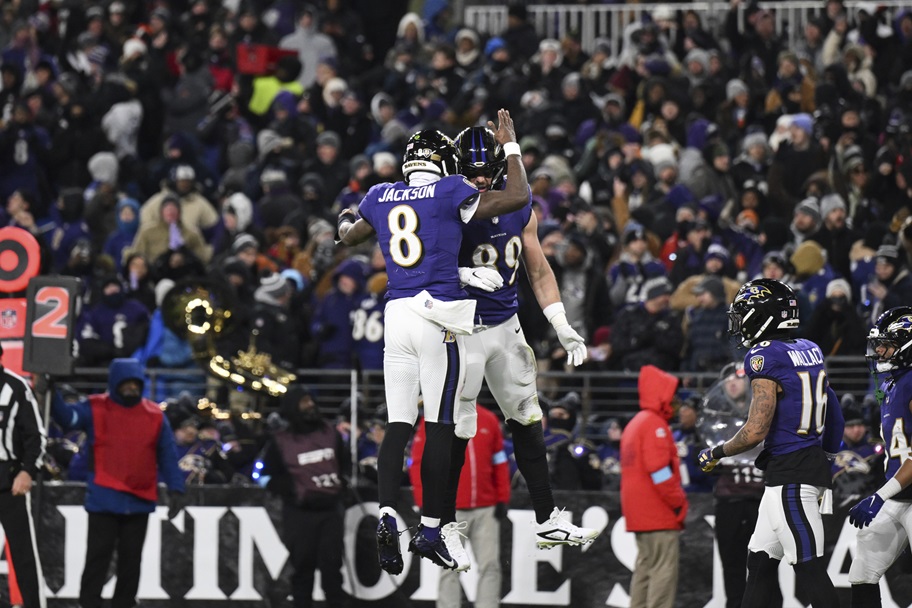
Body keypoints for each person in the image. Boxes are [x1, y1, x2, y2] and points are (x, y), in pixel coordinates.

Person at [337, 110, 531, 574]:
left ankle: (387, 511)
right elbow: (517, 196)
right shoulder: (449, 189)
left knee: (398, 424)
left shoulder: (381, 194)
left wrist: (347, 213)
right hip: (437, 315)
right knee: (441, 424)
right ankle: (429, 529)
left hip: (396, 316)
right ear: (445, 161)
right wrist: (511, 149)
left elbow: (349, 236)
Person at [444, 125, 597, 565]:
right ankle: (441, 523)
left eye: (484, 174)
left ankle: (547, 517)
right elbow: (421, 267)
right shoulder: (445, 205)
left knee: (529, 419)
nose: (476, 183)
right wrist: (464, 275)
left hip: (505, 323)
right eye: (469, 175)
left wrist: (559, 320)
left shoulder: (519, 205)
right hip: (462, 325)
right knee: (456, 426)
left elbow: (539, 269)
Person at [697, 278, 845, 608]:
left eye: (745, 313)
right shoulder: (810, 348)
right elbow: (834, 411)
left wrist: (715, 452)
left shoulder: (765, 356)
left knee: (809, 568)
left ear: (763, 316)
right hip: (797, 469)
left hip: (791, 474)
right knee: (760, 564)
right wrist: (828, 458)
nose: (739, 321)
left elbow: (755, 430)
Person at [50, 358, 185, 608]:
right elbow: (67, 419)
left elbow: (167, 455)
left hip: (140, 501)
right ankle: (89, 603)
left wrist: (177, 489)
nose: (132, 388)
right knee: (97, 559)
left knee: (131, 561)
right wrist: (52, 389)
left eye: (136, 383)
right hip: (104, 498)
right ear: (114, 382)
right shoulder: (94, 407)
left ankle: (124, 604)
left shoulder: (155, 415)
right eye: (126, 383)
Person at [409, 404, 509, 607]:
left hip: (486, 508)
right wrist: (424, 501)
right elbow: (419, 464)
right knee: (449, 567)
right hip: (449, 511)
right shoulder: (434, 419)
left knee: (490, 565)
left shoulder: (488, 419)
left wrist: (502, 498)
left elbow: (499, 461)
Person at [259, 386, 349, 608]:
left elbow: (345, 467)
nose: (310, 405)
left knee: (332, 571)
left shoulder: (331, 433)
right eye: (303, 402)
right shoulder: (279, 441)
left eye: (311, 400)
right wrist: (291, 489)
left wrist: (341, 486)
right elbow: (264, 476)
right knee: (302, 570)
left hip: (330, 512)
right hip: (299, 514)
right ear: (292, 408)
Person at [847, 306, 912, 608]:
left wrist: (879, 496)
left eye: (888, 345)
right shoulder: (894, 383)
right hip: (900, 495)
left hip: (903, 493)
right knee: (863, 569)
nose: (880, 352)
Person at [620, 365, 688, 608]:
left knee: (645, 570)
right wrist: (678, 501)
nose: (676, 401)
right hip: (657, 513)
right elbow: (659, 472)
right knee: (663, 573)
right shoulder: (654, 425)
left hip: (639, 514)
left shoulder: (636, 423)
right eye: (671, 394)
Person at [0, 344, 48, 608]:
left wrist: (27, 470)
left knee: (23, 556)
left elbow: (36, 436)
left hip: (9, 483)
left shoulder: (16, 388)